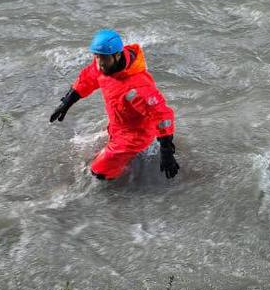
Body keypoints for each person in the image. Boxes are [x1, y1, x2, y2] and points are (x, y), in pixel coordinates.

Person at [49, 29, 180, 180]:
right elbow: (89, 77)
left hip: (134, 137)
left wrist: (167, 151)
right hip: (118, 126)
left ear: (117, 55)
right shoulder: (105, 66)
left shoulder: (137, 87)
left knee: (97, 173)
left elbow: (162, 115)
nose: (99, 63)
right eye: (97, 57)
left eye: (103, 58)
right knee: (81, 155)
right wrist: (67, 102)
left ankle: (130, 180)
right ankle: (130, 164)